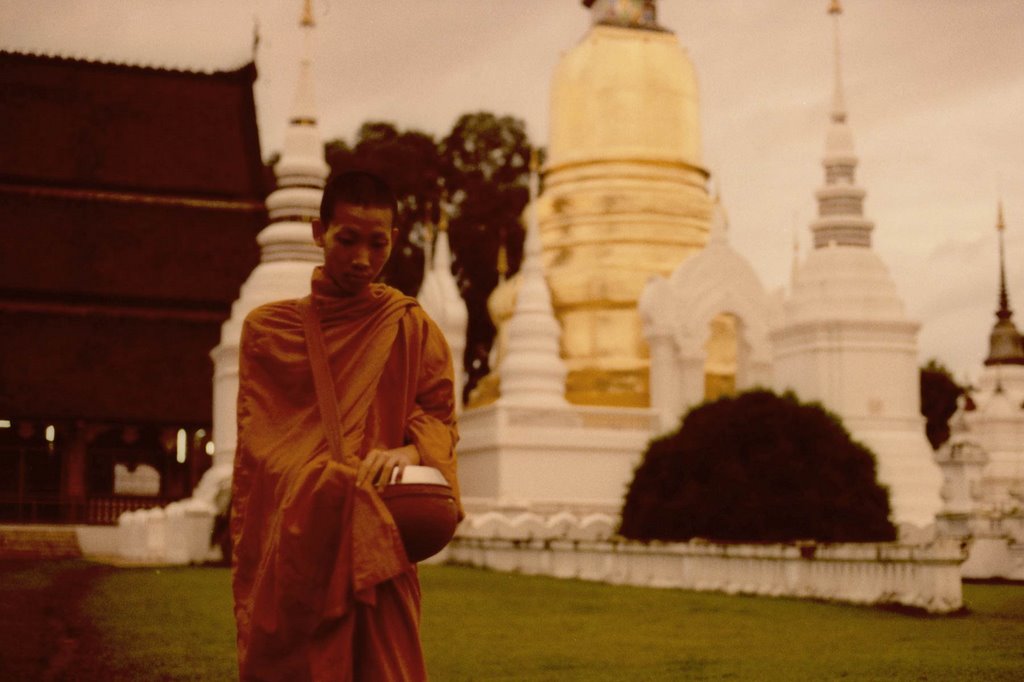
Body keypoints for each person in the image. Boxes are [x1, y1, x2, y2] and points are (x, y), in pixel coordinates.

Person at [230, 170, 460, 681]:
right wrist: (341, 483)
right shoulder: (269, 332)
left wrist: (409, 455)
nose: (361, 259)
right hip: (303, 546)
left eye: (377, 244)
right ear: (319, 233)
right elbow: (267, 454)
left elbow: (438, 418)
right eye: (347, 240)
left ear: (394, 241)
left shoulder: (409, 324)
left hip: (380, 541)